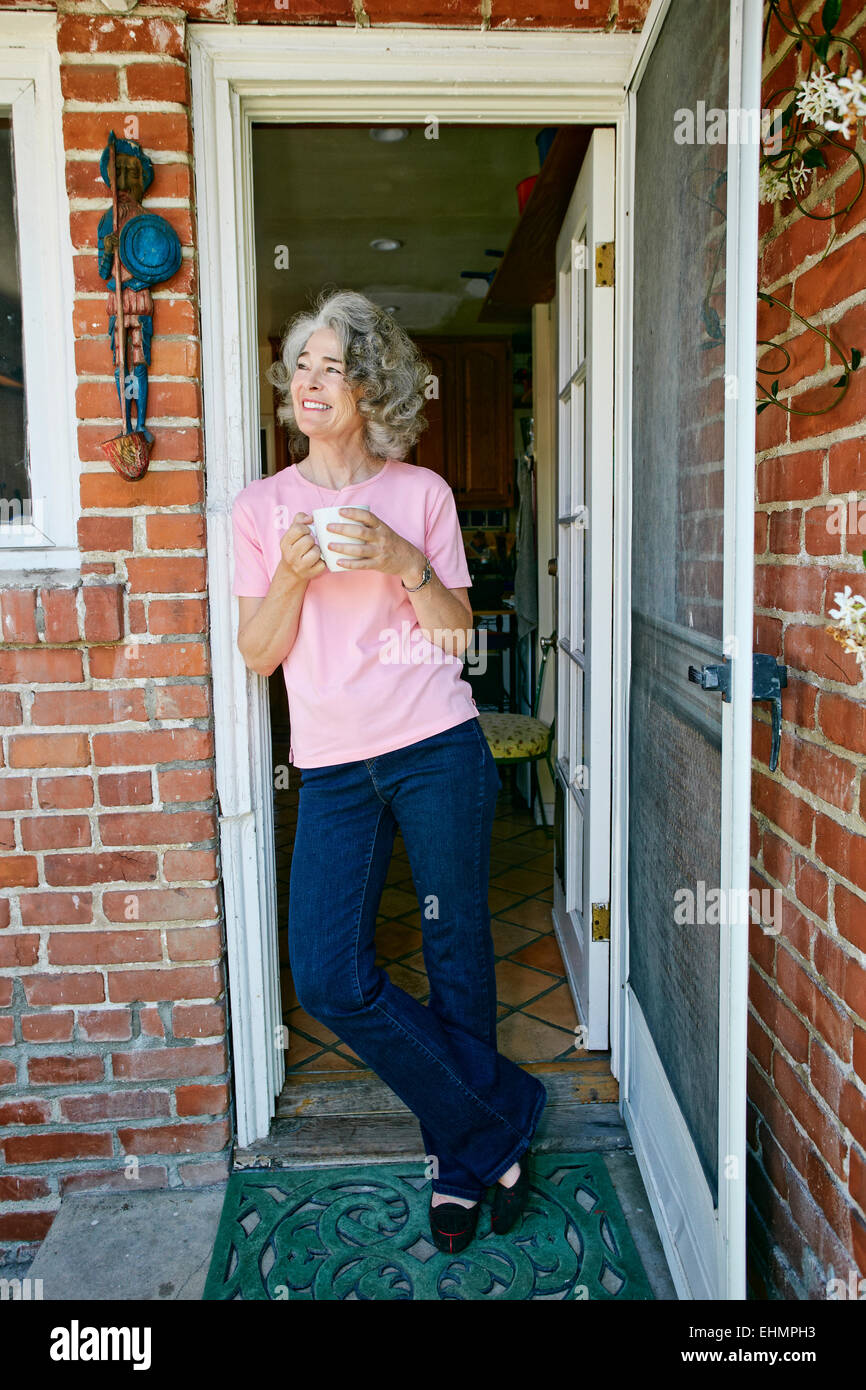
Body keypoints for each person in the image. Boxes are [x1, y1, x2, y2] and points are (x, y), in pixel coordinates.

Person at [231, 288, 547, 1254]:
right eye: (302, 365)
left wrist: (405, 560)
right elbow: (257, 656)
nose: (312, 381)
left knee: (456, 953)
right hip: (329, 768)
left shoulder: (422, 495)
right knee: (328, 976)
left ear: (370, 386)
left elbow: (459, 642)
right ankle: (500, 1116)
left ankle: (461, 1166)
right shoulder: (261, 508)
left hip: (434, 750)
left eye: (333, 365)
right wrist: (290, 574)